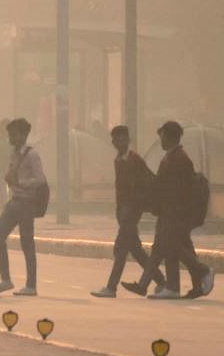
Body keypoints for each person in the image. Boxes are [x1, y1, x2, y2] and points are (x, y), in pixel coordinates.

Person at [129, 121, 215, 300]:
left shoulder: (179, 159)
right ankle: (171, 286)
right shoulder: (171, 157)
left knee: (170, 246)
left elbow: (179, 190)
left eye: (162, 136)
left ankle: (202, 270)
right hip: (168, 211)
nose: (160, 139)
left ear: (168, 136)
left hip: (175, 212)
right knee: (164, 247)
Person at [90, 125, 165, 297]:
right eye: (117, 140)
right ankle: (161, 281)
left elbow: (143, 185)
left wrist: (133, 208)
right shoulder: (118, 160)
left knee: (121, 249)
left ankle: (111, 287)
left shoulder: (134, 159)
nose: (120, 142)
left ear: (128, 140)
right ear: (113, 142)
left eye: (123, 139)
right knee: (135, 250)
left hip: (131, 211)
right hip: (123, 211)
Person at [0, 118, 47, 296]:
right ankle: (6, 279)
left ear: (23, 134)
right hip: (14, 201)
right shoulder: (13, 153)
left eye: (13, 134)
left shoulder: (32, 155)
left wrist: (20, 182)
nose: (10, 138)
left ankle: (31, 285)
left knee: (27, 243)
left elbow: (40, 180)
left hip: (26, 203)